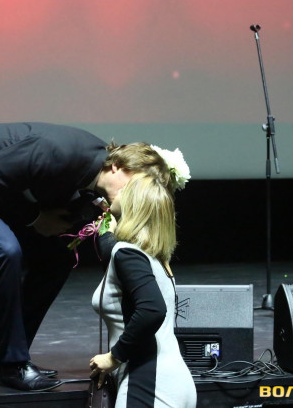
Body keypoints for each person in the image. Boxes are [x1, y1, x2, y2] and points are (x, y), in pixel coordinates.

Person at [0, 121, 171, 391]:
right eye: (133, 187)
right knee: (5, 250)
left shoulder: (91, 173)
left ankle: (2, 357)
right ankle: (13, 363)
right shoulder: (62, 151)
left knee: (58, 257)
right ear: (117, 167)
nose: (133, 196)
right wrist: (36, 217)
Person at [89, 171, 197, 408]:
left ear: (133, 204)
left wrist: (113, 357)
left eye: (124, 190)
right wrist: (107, 232)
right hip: (172, 379)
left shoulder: (127, 253)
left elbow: (152, 309)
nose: (116, 192)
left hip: (148, 382)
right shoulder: (154, 256)